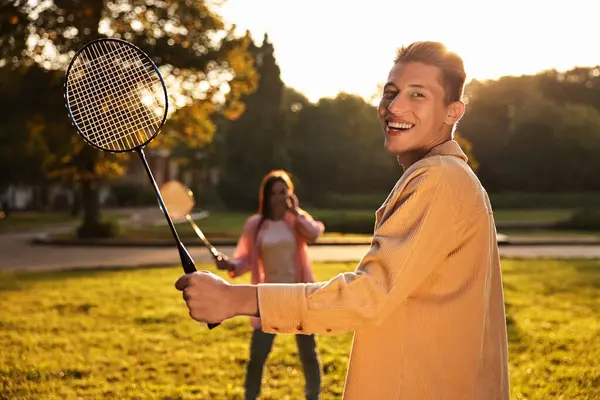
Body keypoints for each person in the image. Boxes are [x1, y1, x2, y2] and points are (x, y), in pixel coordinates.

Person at [176, 41, 510, 399]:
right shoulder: (449, 177)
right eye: (390, 92)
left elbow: (366, 296)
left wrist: (234, 299)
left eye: (418, 95)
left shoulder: (439, 178)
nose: (394, 106)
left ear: (453, 111)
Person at [214, 169, 325, 400]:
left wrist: (296, 211)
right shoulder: (255, 225)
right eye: (273, 193)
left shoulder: (295, 221)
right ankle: (250, 396)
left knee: (308, 353)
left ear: (290, 194)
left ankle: (313, 396)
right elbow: (245, 259)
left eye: (283, 192)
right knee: (258, 354)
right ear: (266, 196)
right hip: (268, 297)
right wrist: (230, 265)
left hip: (299, 294)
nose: (278, 197)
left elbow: (314, 234)